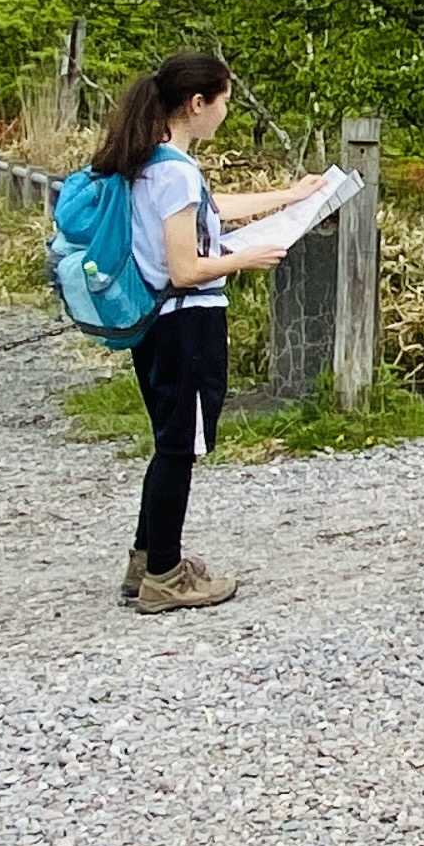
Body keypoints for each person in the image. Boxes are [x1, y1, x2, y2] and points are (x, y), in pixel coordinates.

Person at [86, 52, 326, 613]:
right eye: (223, 101)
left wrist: (292, 196)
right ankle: (166, 577)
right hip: (187, 323)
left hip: (155, 325)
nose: (225, 112)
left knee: (168, 440)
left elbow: (211, 211)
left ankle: (147, 559)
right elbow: (186, 268)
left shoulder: (149, 164)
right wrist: (249, 258)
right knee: (179, 447)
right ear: (198, 103)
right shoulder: (174, 172)